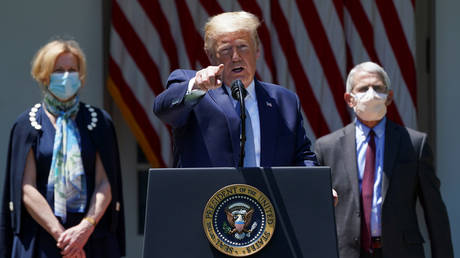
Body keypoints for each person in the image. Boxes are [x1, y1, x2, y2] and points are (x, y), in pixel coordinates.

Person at [0, 39, 125, 258]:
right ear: (44, 75)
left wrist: (84, 229)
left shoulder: (99, 122)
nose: (66, 76)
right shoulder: (27, 124)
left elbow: (105, 182)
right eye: (59, 70)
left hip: (91, 239)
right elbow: (26, 187)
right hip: (43, 240)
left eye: (72, 70)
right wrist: (63, 237)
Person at [314, 61, 453, 258]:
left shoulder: (414, 144)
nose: (371, 94)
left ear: (389, 97)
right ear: (349, 98)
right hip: (346, 252)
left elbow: (435, 212)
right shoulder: (327, 147)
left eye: (378, 88)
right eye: (363, 88)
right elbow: (316, 212)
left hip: (401, 251)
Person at [153, 11, 317, 167]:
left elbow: (302, 157)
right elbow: (164, 110)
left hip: (267, 197)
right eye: (226, 50)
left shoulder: (284, 101)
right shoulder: (193, 87)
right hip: (209, 196)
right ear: (211, 56)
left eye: (242, 47)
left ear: (257, 50)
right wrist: (196, 87)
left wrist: (316, 186)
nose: (236, 57)